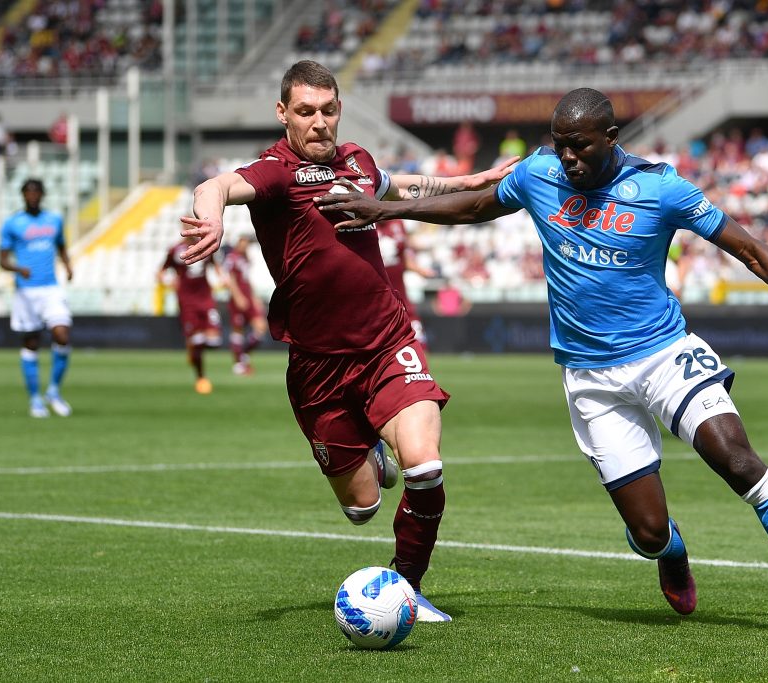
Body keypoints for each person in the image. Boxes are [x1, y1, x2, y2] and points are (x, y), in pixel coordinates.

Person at [315, 87, 768, 641]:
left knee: (736, 459)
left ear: (611, 138)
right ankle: (672, 552)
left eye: (580, 146)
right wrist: (387, 209)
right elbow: (475, 206)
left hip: (664, 353)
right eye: (559, 144)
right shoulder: (540, 175)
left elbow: (750, 248)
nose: (567, 157)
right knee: (649, 530)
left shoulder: (661, 187)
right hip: (591, 379)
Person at [177, 60, 518, 622]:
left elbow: (401, 186)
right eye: (306, 112)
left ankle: (406, 588)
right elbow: (213, 185)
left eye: (328, 110)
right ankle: (369, 449)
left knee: (426, 466)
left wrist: (472, 181)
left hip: (387, 343)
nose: (319, 123)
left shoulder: (358, 161)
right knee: (362, 508)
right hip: (316, 367)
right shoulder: (275, 173)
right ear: (283, 114)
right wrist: (211, 219)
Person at [0, 178, 73, 418]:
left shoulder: (54, 220)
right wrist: (18, 269)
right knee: (31, 343)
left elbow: (61, 246)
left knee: (62, 334)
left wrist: (68, 265)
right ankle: (35, 399)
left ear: (42, 195)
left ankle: (53, 391)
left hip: (51, 288)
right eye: (28, 193)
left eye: (36, 192)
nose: (32, 196)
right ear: (23, 196)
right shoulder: (12, 223)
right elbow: (2, 259)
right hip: (26, 290)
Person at [158, 235, 225, 394]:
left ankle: (193, 350)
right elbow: (161, 271)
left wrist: (222, 278)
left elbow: (215, 265)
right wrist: (168, 282)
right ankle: (201, 377)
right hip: (187, 300)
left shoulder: (206, 246)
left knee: (214, 340)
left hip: (205, 298)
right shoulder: (175, 250)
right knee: (197, 340)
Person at [378, 219, 436, 347]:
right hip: (378, 298)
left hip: (401, 296)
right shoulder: (365, 226)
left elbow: (403, 257)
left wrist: (420, 270)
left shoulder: (397, 223)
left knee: (418, 340)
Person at [221, 234, 268, 375]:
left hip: (248, 297)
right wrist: (238, 297)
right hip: (238, 298)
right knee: (238, 330)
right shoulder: (232, 258)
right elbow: (231, 279)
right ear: (239, 243)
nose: (245, 245)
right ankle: (238, 364)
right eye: (244, 242)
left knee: (261, 327)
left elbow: (247, 280)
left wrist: (254, 298)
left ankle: (243, 355)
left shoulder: (245, 259)